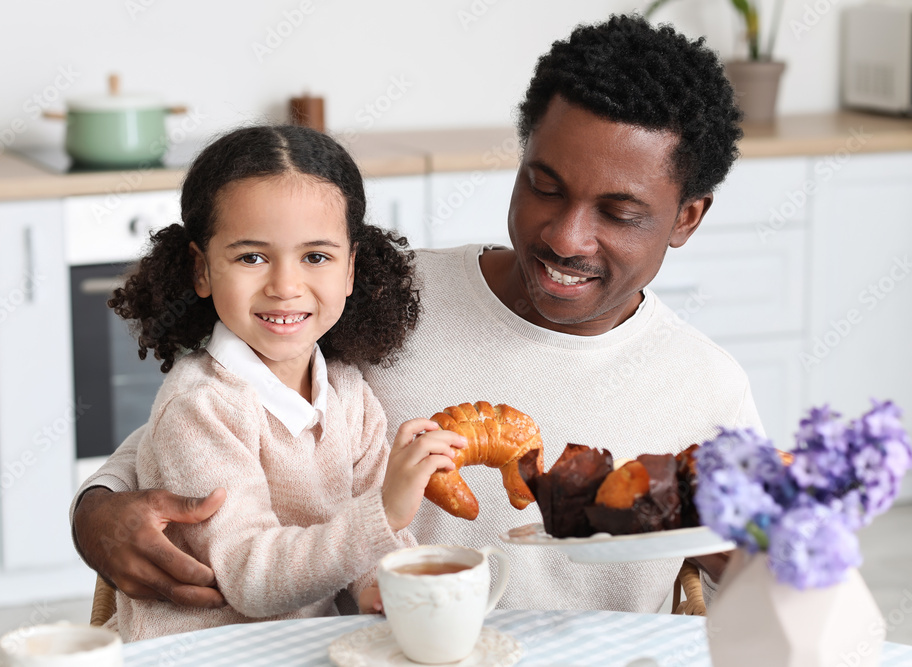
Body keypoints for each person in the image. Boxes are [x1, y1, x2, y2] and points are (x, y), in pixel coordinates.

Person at [72, 14, 760, 613]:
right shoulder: (384, 296)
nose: (565, 236)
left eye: (618, 213)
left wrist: (762, 563)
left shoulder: (706, 388)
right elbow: (216, 409)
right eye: (544, 187)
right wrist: (94, 509)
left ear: (686, 218)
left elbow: (768, 574)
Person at [97, 124, 466, 641]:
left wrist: (377, 586)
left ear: (351, 269)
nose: (285, 286)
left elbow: (367, 545)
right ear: (201, 270)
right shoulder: (201, 407)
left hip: (299, 649)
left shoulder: (348, 392)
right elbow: (251, 577)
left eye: (316, 257)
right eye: (252, 257)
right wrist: (383, 509)